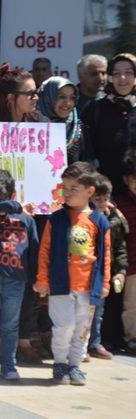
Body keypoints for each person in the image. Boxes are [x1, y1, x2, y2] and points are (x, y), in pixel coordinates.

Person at [0, 64, 47, 363]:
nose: (35, 99)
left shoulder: (39, 124)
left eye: (37, 93)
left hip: (30, 218)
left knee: (27, 276)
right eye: (30, 93)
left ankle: (25, 337)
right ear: (10, 97)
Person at [34, 162, 111, 385]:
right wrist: (42, 279)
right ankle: (60, 362)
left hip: (89, 286)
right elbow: (45, 250)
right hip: (61, 284)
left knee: (81, 329)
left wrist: (104, 282)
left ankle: (75, 365)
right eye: (64, 188)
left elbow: (105, 255)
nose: (66, 193)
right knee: (63, 326)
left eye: (72, 189)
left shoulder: (100, 221)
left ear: (90, 191)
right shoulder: (56, 219)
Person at [0, 169, 38, 381]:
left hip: (16, 280)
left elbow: (34, 250)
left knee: (11, 325)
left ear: (13, 194)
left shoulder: (27, 220)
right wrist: (18, 205)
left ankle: (8, 365)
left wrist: (35, 278)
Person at [86, 174, 127, 359]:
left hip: (102, 273)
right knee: (80, 312)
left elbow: (120, 248)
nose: (102, 203)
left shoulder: (115, 220)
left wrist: (121, 271)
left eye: (105, 199)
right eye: (97, 199)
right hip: (83, 272)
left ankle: (94, 343)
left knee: (97, 311)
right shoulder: (83, 219)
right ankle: (79, 345)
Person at [83, 53, 136, 193]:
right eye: (117, 73)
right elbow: (88, 153)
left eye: (129, 73)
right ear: (110, 78)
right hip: (106, 196)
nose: (122, 78)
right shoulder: (95, 109)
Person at [37, 76, 91, 164]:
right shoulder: (31, 128)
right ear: (48, 97)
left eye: (72, 97)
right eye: (61, 97)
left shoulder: (78, 129)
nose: (68, 103)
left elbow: (87, 165)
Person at [116, 148, 136, 354]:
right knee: (132, 304)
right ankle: (132, 337)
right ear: (126, 179)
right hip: (131, 262)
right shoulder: (119, 204)